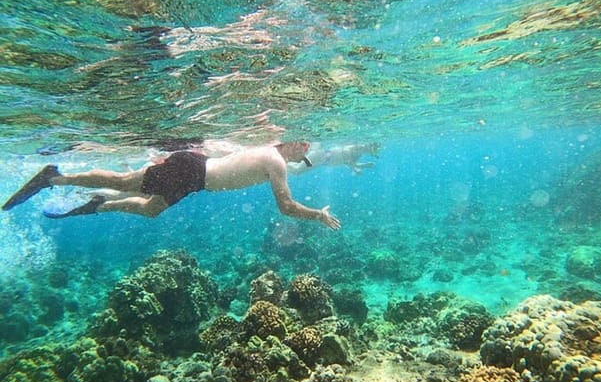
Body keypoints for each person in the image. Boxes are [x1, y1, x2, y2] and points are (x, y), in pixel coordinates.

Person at [2, 141, 341, 230]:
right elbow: (286, 207)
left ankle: (97, 204)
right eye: (304, 147)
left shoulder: (268, 151)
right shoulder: (275, 160)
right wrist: (318, 216)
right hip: (191, 170)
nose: (305, 154)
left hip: (194, 179)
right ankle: (55, 177)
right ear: (292, 143)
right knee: (126, 182)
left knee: (149, 209)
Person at [287, 142, 381, 175]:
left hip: (323, 161)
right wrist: (355, 168)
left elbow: (349, 163)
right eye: (373, 151)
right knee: (297, 170)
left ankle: (283, 163)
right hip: (319, 155)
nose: (372, 153)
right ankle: (280, 162)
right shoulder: (358, 147)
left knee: (297, 171)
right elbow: (346, 153)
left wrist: (364, 165)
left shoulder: (359, 154)